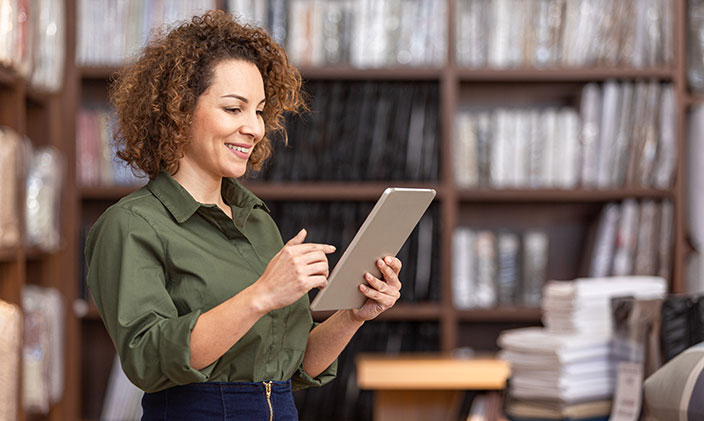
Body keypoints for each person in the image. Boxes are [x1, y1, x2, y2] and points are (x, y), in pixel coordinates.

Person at [84, 10, 403, 421]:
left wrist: (353, 316)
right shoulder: (131, 225)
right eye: (234, 109)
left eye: (259, 111)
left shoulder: (254, 219)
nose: (254, 128)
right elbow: (147, 359)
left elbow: (294, 365)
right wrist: (262, 295)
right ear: (178, 111)